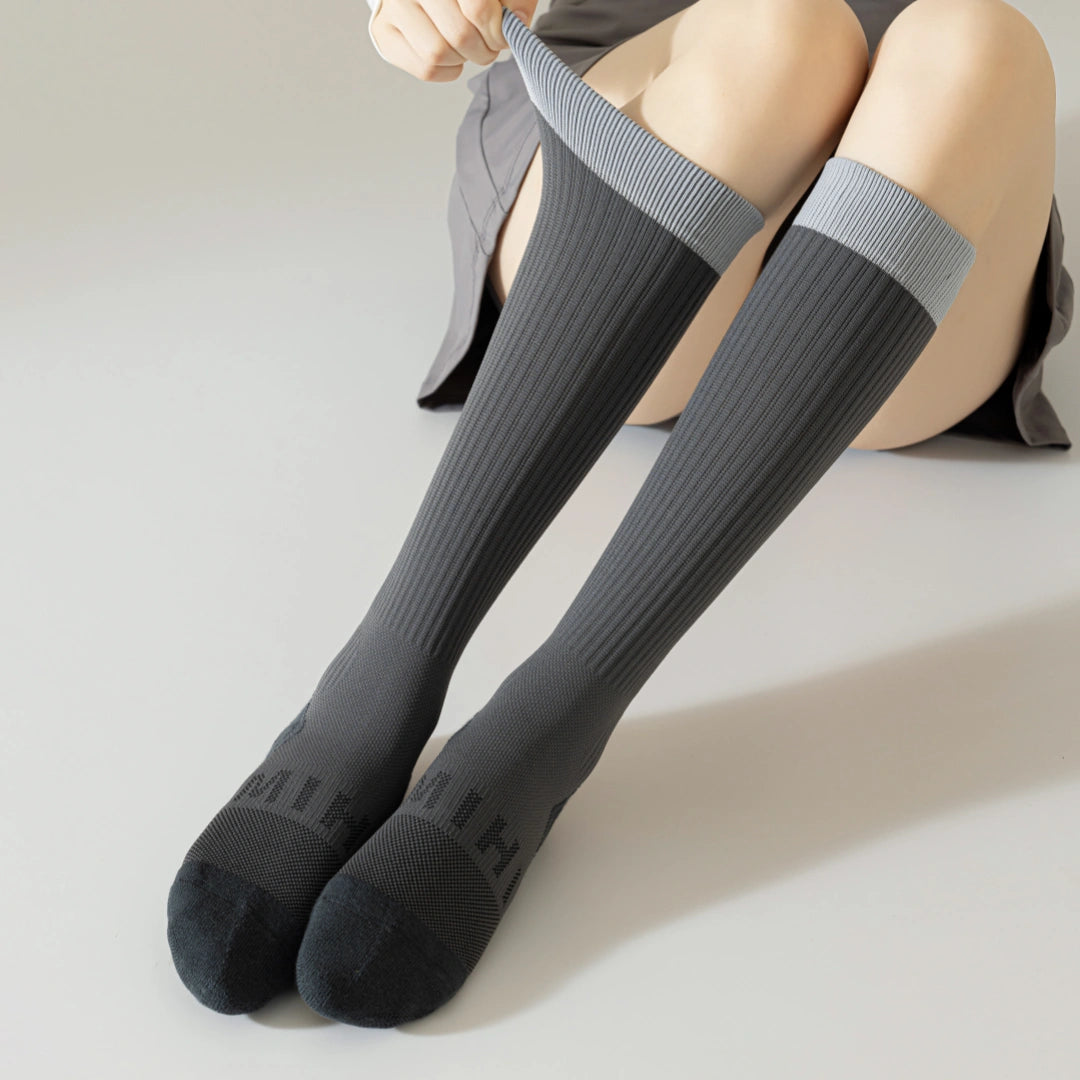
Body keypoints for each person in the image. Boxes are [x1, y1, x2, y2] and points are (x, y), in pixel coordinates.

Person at [166, 0, 1074, 1027]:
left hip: (916, 197)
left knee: (980, 44)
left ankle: (548, 725)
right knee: (782, 24)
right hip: (677, 134)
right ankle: (378, 680)